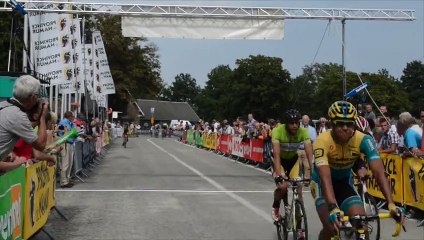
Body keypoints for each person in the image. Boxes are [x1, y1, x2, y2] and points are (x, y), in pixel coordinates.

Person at [311, 101, 404, 240]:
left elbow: (379, 172)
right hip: (322, 183)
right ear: (332, 123)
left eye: (349, 124)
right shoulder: (322, 140)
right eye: (340, 123)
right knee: (332, 228)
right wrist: (332, 207)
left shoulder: (363, 140)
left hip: (343, 182)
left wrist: (391, 203)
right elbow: (325, 176)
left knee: (361, 223)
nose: (345, 128)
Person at [271, 109, 313, 239]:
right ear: (286, 123)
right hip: (280, 161)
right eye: (291, 123)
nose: (295, 125)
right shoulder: (278, 130)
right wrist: (279, 175)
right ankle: (276, 206)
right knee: (283, 186)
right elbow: (277, 155)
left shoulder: (303, 131)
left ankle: (299, 228)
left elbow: (309, 152)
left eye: (297, 122)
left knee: (298, 190)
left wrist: (311, 173)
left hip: (293, 161)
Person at [0, 75, 49, 172]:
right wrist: (42, 118)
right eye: (37, 97)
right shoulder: (17, 115)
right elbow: (41, 145)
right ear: (33, 97)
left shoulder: (3, 106)